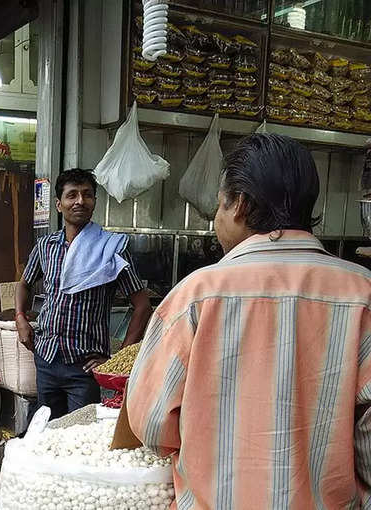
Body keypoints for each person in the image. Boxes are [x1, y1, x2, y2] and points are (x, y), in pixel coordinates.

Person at [124, 134, 371, 508]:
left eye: (218, 208)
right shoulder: (363, 293)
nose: (217, 221)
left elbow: (154, 425)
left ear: (238, 204)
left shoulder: (196, 296)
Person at [16, 169, 152, 419]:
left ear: (94, 203)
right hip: (46, 357)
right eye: (72, 195)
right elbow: (24, 283)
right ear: (59, 204)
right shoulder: (46, 246)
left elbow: (142, 305)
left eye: (87, 195)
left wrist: (116, 360)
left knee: (79, 436)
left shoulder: (110, 249)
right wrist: (20, 318)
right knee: (45, 433)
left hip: (85, 366)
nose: (80, 201)